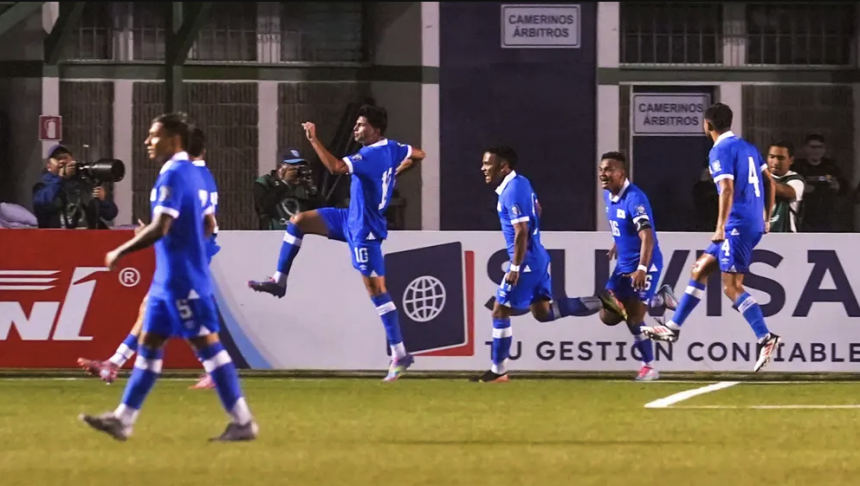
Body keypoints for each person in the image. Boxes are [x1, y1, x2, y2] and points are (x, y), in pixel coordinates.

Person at [79, 113, 257, 442]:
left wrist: (122, 250)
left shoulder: (173, 175)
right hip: (168, 278)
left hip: (181, 279)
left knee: (209, 347)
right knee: (149, 344)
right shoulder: (193, 172)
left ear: (173, 139)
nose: (147, 141)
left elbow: (161, 226)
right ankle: (123, 418)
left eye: (153, 135)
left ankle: (243, 421)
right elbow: (209, 224)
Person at [248, 105, 425, 382]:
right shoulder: (392, 147)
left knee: (377, 292)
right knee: (298, 221)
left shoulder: (369, 154)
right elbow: (419, 154)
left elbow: (335, 167)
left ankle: (400, 353)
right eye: (355, 124)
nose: (356, 129)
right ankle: (279, 280)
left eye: (361, 124)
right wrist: (389, 176)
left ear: (375, 130)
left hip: (364, 230)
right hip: (348, 217)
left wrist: (313, 139)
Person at [76, 128, 221, 390]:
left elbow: (203, 223)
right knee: (155, 310)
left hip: (187, 255)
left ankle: (215, 369)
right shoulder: (202, 175)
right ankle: (114, 363)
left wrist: (154, 235)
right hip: (190, 252)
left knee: (178, 312)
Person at [641, 102, 781, 373]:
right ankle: (672, 328)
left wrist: (720, 227)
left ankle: (766, 337)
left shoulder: (720, 150)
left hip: (736, 225)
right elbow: (770, 182)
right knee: (700, 269)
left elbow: (726, 189)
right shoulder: (748, 147)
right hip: (748, 223)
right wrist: (766, 216)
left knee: (732, 286)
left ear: (708, 125)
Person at [473, 145, 616, 383]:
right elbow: (537, 209)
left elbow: (521, 231)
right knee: (543, 312)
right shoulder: (521, 182)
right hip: (538, 257)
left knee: (500, 309)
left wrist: (516, 267)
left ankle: (498, 371)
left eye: (488, 164)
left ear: (504, 166)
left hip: (527, 261)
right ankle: (603, 301)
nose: (483, 168)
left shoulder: (511, 191)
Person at [598, 151, 678, 382]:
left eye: (609, 169)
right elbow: (624, 225)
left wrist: (642, 269)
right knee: (608, 315)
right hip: (624, 265)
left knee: (634, 317)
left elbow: (648, 237)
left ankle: (649, 367)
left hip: (646, 264)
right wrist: (617, 242)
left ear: (621, 174)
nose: (604, 173)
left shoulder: (635, 198)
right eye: (602, 169)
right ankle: (660, 299)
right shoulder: (608, 196)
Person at [32, 144, 118, 229]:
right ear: (49, 166)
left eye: (66, 157)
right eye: (58, 159)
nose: (63, 161)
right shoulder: (42, 186)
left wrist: (103, 200)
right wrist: (60, 178)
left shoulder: (85, 183)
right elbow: (43, 204)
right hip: (58, 237)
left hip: (88, 236)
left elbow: (110, 215)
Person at [254, 149, 321, 230]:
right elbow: (263, 206)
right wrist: (284, 184)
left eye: (299, 167)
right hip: (273, 234)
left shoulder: (303, 185)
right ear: (280, 168)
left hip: (300, 234)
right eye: (292, 166)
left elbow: (321, 212)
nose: (296, 171)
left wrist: (311, 191)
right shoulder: (265, 182)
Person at [766, 141, 805, 233]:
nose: (775, 162)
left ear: (791, 160)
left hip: (787, 234)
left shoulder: (796, 180)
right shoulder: (760, 177)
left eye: (780, 158)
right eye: (772, 157)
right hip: (762, 232)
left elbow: (787, 192)